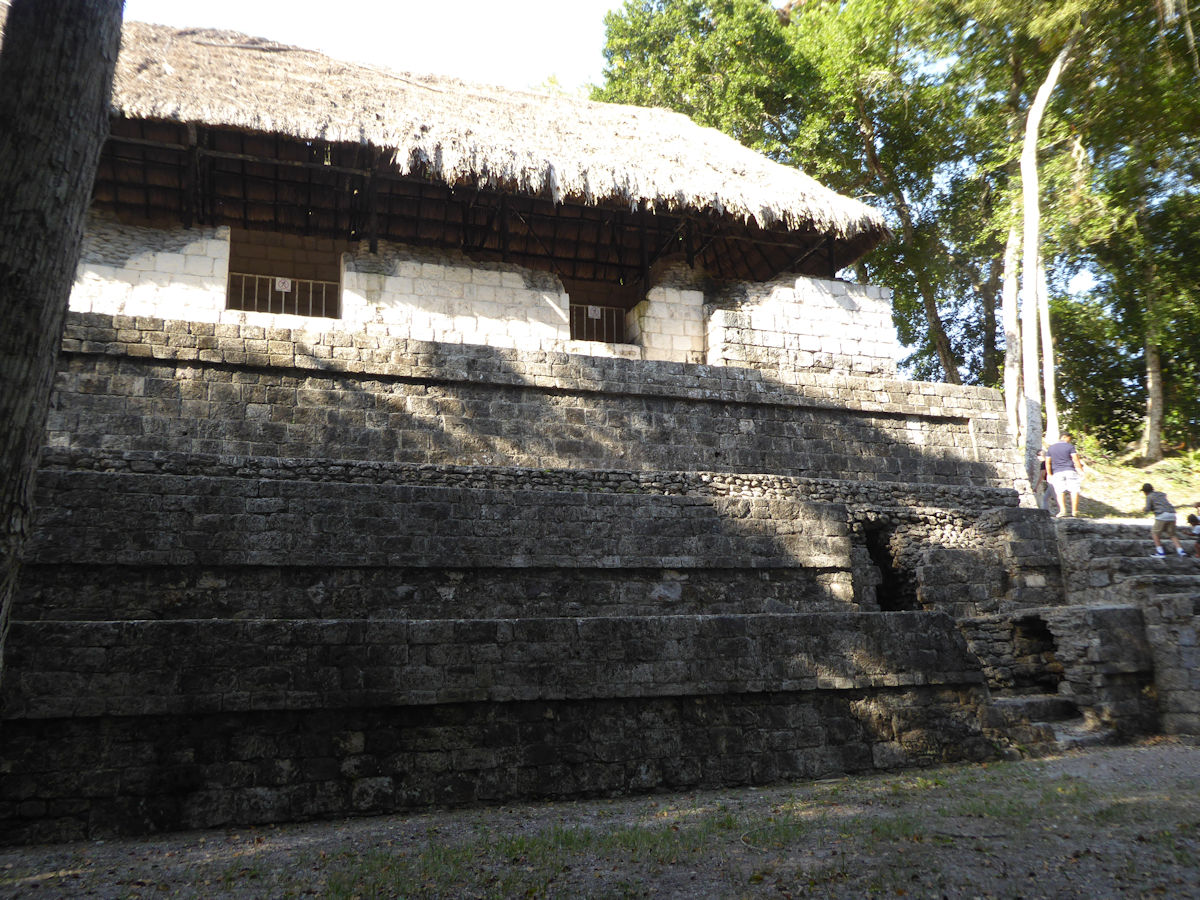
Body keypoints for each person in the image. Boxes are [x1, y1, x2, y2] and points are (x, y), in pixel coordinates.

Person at [1141, 483, 1189, 558]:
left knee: (1155, 533)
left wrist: (1144, 509)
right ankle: (1181, 551)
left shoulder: (1149, 496)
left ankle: (1160, 552)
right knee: (1172, 534)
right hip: (1172, 514)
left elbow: (1147, 509)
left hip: (1162, 515)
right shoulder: (1160, 494)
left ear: (1145, 491)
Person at [1045, 432, 1084, 518]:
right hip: (1070, 470)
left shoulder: (1051, 448)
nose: (1069, 440)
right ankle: (1074, 511)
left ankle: (1063, 511)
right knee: (1074, 490)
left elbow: (1047, 462)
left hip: (1057, 472)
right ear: (1064, 437)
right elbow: (1075, 459)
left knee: (1059, 491)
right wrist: (1080, 470)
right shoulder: (1070, 446)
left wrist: (1049, 474)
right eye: (1069, 438)